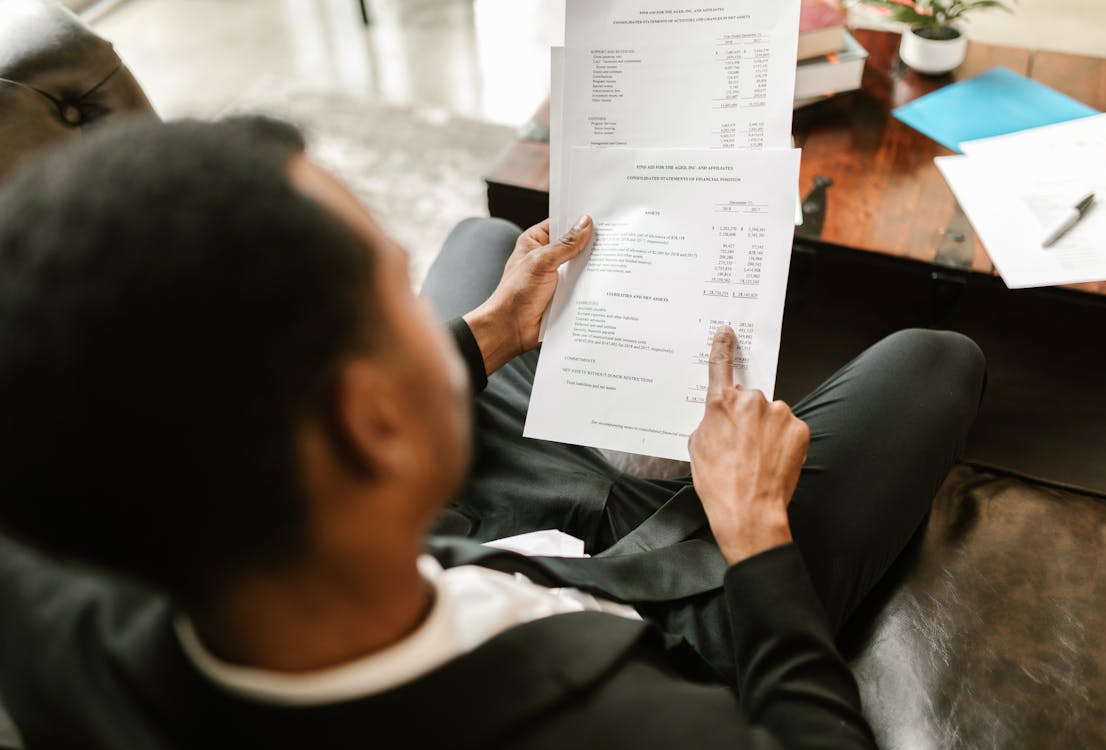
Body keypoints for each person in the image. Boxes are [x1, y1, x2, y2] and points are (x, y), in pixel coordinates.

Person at [0, 117, 985, 748]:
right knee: (937, 363)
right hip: (675, 606)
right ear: (371, 424)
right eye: (392, 288)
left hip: (469, 542)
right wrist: (756, 533)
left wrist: (482, 338)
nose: (416, 305)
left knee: (478, 249)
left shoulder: (64, 617)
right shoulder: (634, 729)